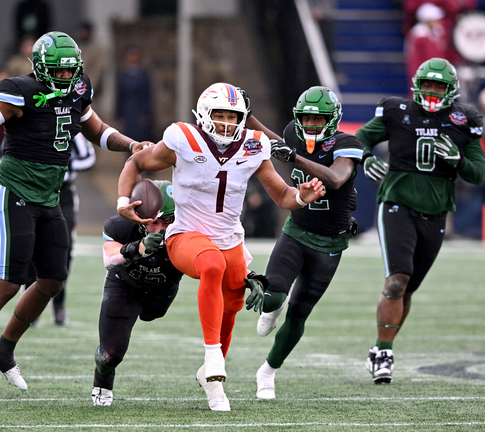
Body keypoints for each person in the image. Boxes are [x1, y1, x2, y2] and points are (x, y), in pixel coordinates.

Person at [0, 31, 151, 402]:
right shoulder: (19, 89)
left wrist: (131, 144)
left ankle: (3, 348)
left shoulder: (79, 88)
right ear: (40, 67)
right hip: (13, 192)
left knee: (52, 280)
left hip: (49, 196)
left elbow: (95, 128)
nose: (66, 79)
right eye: (59, 72)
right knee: (7, 283)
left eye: (71, 72)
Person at [116, 82, 326, 411]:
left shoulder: (254, 145)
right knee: (211, 264)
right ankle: (213, 359)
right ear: (204, 115)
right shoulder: (182, 138)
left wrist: (302, 196)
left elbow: (284, 196)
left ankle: (212, 383)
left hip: (230, 238)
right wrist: (122, 201)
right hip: (185, 235)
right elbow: (136, 163)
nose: (227, 122)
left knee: (230, 306)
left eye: (233, 116)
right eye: (220, 115)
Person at [355, 58, 485, 384]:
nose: (431, 91)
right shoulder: (397, 111)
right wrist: (365, 158)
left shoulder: (463, 118)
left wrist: (458, 161)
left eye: (438, 86)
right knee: (397, 280)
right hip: (397, 203)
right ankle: (385, 353)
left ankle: (378, 348)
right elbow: (359, 138)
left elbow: (479, 172)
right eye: (427, 84)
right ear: (416, 85)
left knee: (408, 287)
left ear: (450, 91)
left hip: (437, 210)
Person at [244, 86, 364, 399]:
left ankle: (268, 370)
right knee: (272, 299)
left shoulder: (347, 144)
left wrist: (294, 156)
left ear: (333, 119)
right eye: (306, 117)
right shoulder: (292, 136)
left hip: (330, 244)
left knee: (299, 314)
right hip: (296, 231)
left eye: (318, 117)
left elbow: (336, 178)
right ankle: (273, 306)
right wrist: (248, 116)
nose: (311, 123)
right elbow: (275, 141)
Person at [91, 180, 184, 406]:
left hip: (163, 289)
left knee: (153, 314)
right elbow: (109, 259)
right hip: (125, 284)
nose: (158, 228)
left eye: (166, 221)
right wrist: (138, 248)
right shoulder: (121, 226)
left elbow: (220, 254)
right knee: (109, 355)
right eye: (151, 220)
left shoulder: (189, 228)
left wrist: (245, 274)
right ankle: (102, 379)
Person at [23, 132, 97, 326]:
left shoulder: (72, 127)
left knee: (63, 250)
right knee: (31, 247)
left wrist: (65, 164)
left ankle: (59, 306)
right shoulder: (32, 122)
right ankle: (30, 307)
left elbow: (89, 158)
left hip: (62, 193)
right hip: (33, 191)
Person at [404, 3, 450, 89]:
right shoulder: (418, 35)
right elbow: (415, 59)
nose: (439, 22)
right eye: (435, 19)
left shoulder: (439, 33)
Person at [115, 45, 153, 144]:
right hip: (128, 112)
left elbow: (147, 96)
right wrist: (119, 114)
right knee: (129, 140)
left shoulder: (143, 75)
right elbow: (120, 96)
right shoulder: (123, 75)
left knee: (141, 138)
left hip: (140, 111)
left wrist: (147, 114)